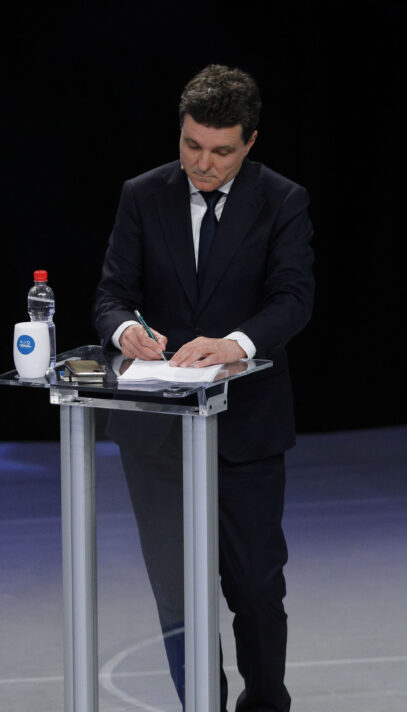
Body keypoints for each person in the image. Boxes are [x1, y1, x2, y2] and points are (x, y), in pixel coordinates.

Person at [94, 64, 314, 712]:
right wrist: (126, 330)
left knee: (255, 588)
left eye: (221, 151)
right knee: (178, 594)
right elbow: (111, 295)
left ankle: (265, 702)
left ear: (250, 142)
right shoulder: (143, 195)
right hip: (156, 435)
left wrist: (235, 343)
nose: (203, 163)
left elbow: (294, 299)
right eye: (192, 145)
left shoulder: (282, 200)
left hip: (245, 428)